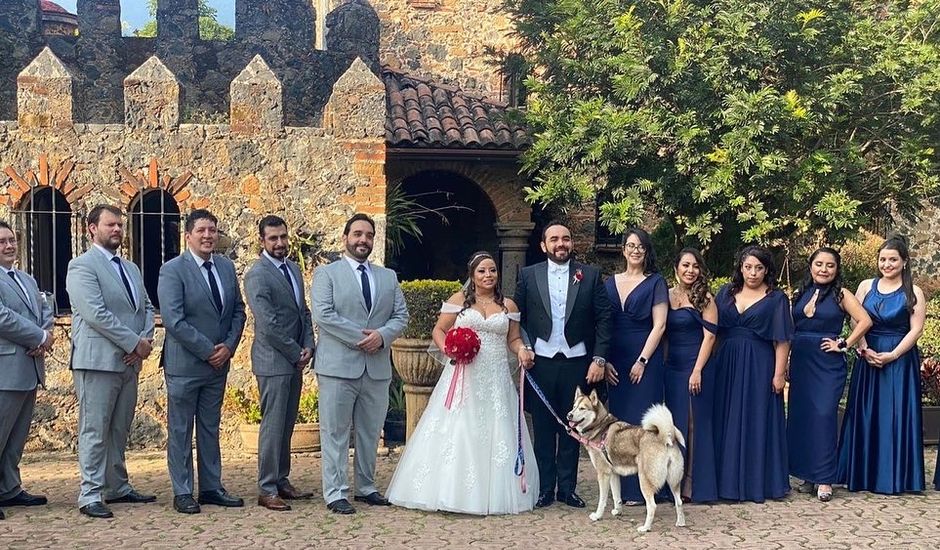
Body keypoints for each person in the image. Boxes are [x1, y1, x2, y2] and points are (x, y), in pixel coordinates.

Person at [387, 251, 539, 514]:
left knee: (496, 428)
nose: (488, 275)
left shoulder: (509, 306)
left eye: (492, 270)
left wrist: (523, 350)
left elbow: (512, 340)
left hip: (495, 376)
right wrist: (450, 349)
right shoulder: (459, 301)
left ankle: (495, 493)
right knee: (459, 427)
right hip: (464, 374)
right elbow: (439, 330)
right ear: (472, 275)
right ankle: (451, 492)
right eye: (482, 271)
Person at [311, 213, 409, 515]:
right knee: (335, 431)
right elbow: (324, 315)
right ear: (345, 238)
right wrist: (361, 338)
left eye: (368, 235)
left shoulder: (388, 277)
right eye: (357, 234)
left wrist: (381, 336)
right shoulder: (327, 275)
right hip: (338, 366)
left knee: (369, 432)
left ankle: (366, 487)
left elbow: (401, 316)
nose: (362, 240)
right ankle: (336, 492)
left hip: (376, 368)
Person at [66, 205, 157, 519]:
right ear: (92, 228)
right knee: (94, 429)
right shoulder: (81, 266)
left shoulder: (130, 267)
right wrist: (134, 342)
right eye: (110, 224)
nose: (117, 229)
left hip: (130, 362)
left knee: (119, 429)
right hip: (97, 362)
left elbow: (145, 305)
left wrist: (144, 342)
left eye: (120, 224)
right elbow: (95, 314)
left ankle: (116, 486)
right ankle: (90, 494)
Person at [513, 221, 613, 509]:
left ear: (572, 243)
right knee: (544, 427)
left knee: (574, 426)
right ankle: (545, 488)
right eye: (554, 239)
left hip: (578, 363)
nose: (561, 244)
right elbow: (518, 317)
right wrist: (525, 346)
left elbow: (604, 319)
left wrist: (599, 358)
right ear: (543, 245)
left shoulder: (590, 275)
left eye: (566, 239)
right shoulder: (529, 275)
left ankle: (567, 489)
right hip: (541, 362)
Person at [158, 209, 247, 514]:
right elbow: (173, 320)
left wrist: (229, 347)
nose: (208, 236)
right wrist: (208, 349)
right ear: (188, 236)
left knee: (210, 427)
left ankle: (211, 487)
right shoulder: (172, 270)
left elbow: (238, 311)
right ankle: (183, 491)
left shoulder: (225, 266)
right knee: (181, 429)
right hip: (185, 364)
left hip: (218, 364)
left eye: (213, 230)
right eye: (202, 231)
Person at [837, 236, 926, 494]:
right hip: (868, 355)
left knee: (894, 416)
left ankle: (894, 475)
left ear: (904, 261)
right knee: (866, 413)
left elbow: (916, 330)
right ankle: (863, 474)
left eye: (893, 260)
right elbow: (856, 320)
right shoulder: (866, 286)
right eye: (883, 259)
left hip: (899, 361)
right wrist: (864, 349)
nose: (887, 264)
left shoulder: (914, 292)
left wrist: (892, 355)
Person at [788, 247, 871, 502]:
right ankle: (808, 475)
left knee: (824, 415)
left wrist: (844, 343)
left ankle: (825, 478)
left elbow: (865, 320)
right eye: (819, 264)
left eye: (830, 265)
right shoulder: (799, 292)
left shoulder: (842, 294)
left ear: (837, 269)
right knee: (803, 417)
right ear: (811, 266)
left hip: (827, 362)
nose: (824, 269)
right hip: (802, 359)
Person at [244, 215, 315, 511]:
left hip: (295, 358)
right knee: (273, 426)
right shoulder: (257, 274)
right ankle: (267, 487)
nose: (280, 243)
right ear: (262, 241)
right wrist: (294, 352)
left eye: (283, 237)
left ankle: (282, 480)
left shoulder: (294, 269)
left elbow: (303, 312)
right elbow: (268, 323)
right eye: (273, 238)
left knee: (287, 424)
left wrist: (309, 345)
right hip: (274, 360)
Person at [712, 246, 793, 502]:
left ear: (767, 269)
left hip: (759, 364)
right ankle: (725, 484)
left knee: (756, 419)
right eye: (748, 267)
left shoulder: (776, 298)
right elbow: (712, 331)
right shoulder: (725, 293)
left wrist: (779, 375)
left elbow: (782, 340)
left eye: (759, 268)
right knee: (725, 419)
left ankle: (757, 484)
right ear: (740, 267)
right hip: (726, 362)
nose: (753, 273)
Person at [604, 228, 668, 504]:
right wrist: (603, 359)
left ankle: (648, 485)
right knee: (618, 424)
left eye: (641, 246)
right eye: (631, 245)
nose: (635, 250)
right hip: (614, 360)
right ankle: (623, 488)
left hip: (644, 358)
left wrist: (642, 360)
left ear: (646, 251)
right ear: (623, 249)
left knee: (643, 422)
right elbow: (601, 324)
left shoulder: (655, 282)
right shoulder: (608, 282)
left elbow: (660, 325)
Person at [0, 220, 54, 521]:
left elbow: (44, 310)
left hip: (30, 365)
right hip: (6, 366)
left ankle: (9, 487)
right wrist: (38, 336)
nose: (9, 246)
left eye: (11, 240)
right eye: (2, 242)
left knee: (16, 435)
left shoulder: (26, 279)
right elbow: (2, 317)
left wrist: (45, 337)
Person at [663, 248, 718, 503]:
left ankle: (692, 483)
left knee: (693, 425)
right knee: (673, 425)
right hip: (671, 368)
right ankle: (670, 480)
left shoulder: (705, 298)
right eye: (685, 265)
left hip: (696, 366)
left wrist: (697, 370)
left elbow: (710, 337)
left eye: (695, 266)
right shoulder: (665, 295)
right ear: (676, 268)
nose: (690, 270)